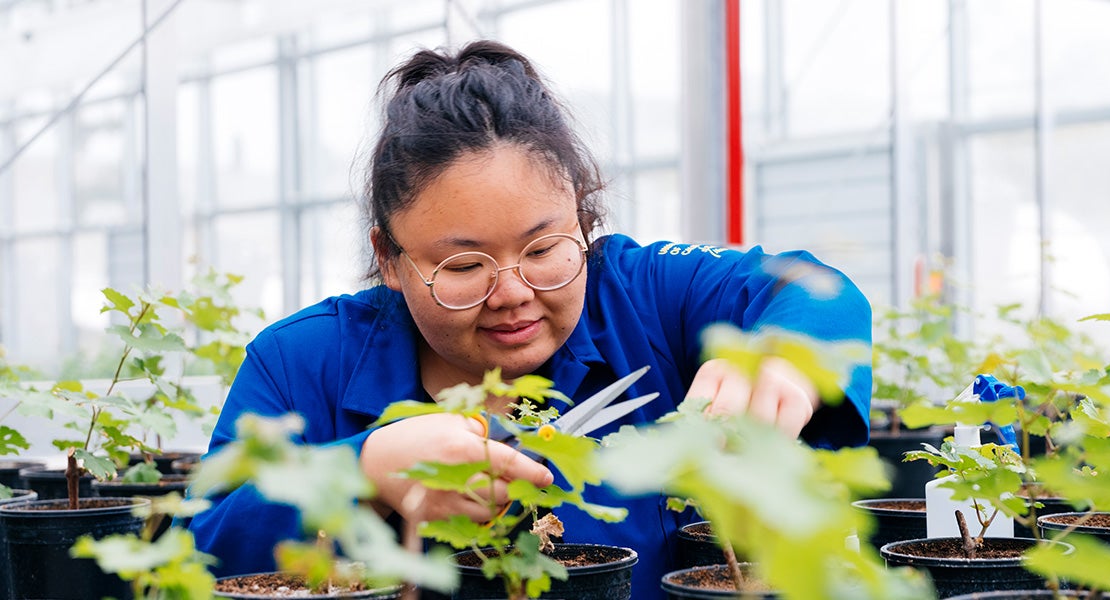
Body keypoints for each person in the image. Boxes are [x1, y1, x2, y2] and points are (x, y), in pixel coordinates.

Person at [188, 39, 872, 599]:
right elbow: (196, 551)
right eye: (463, 268)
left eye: (545, 250)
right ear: (388, 258)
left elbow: (818, 290)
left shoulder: (645, 296)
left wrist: (781, 356)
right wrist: (360, 473)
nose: (512, 293)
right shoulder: (301, 362)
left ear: (585, 217)